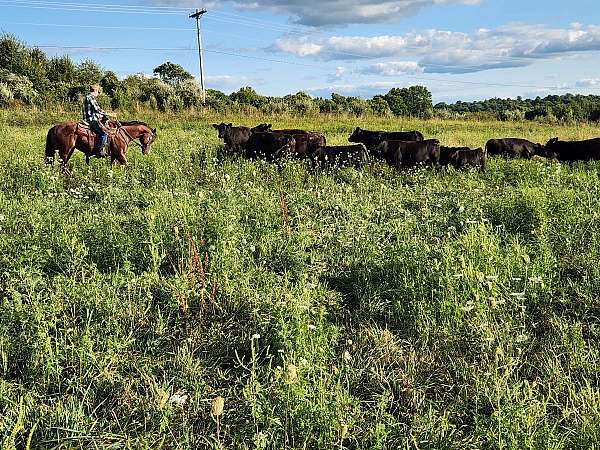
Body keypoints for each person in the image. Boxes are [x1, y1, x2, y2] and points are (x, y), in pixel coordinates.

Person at [83, 84, 110, 158]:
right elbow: (97, 109)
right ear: (95, 91)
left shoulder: (86, 97)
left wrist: (101, 116)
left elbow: (94, 112)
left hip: (89, 118)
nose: (98, 94)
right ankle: (99, 151)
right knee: (104, 133)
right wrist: (108, 114)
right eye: (98, 92)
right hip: (91, 120)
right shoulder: (91, 97)